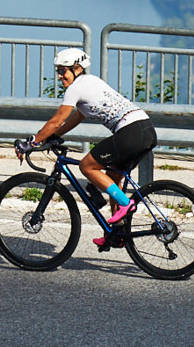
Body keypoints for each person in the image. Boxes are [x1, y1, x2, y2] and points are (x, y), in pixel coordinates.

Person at [16, 47, 157, 245]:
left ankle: (126, 204)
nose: (59, 76)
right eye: (58, 71)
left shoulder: (75, 88)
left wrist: (32, 142)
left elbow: (57, 120)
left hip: (130, 133)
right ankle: (117, 233)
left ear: (77, 68)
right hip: (145, 129)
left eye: (63, 71)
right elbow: (77, 117)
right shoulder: (91, 81)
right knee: (113, 178)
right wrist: (53, 137)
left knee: (87, 166)